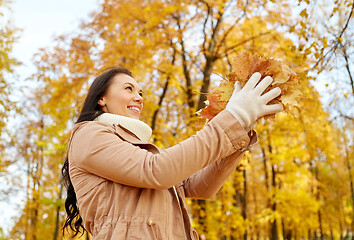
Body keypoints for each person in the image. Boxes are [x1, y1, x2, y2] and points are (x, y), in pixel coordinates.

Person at [61, 66, 282, 239]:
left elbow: (199, 186)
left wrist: (241, 127)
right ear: (102, 99)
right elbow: (157, 171)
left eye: (140, 92)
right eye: (128, 89)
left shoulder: (141, 149)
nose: (139, 97)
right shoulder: (89, 135)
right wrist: (234, 117)